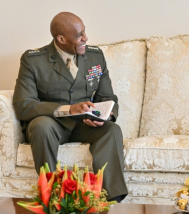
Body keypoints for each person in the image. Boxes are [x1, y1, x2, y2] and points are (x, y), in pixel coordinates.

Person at [13, 12, 127, 202]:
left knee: (111, 130)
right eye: (78, 35)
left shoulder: (95, 56)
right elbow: (24, 105)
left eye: (84, 32)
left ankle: (112, 199)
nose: (85, 38)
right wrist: (68, 109)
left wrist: (103, 116)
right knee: (41, 125)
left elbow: (107, 96)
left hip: (85, 125)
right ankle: (51, 195)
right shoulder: (33, 60)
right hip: (52, 124)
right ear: (61, 38)